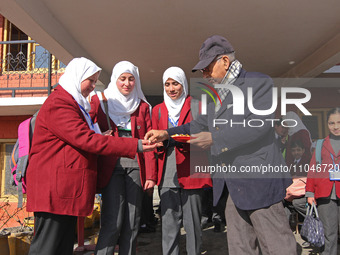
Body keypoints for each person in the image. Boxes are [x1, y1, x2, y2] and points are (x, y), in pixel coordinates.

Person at [145, 35, 297, 254]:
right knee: (240, 248)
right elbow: (197, 125)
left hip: (259, 183)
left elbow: (259, 124)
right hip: (231, 188)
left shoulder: (258, 82)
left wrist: (216, 139)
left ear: (225, 62)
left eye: (207, 69)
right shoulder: (217, 95)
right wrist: (166, 133)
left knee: (277, 247)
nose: (205, 75)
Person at [26, 57, 156, 255]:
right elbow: (86, 139)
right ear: (78, 77)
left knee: (61, 246)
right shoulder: (60, 104)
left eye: (96, 82)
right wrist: (135, 144)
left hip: (65, 191)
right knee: (47, 246)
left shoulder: (74, 103)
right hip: (55, 189)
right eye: (91, 81)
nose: (93, 86)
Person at [89, 61, 157, 255]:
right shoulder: (101, 102)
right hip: (111, 167)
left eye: (131, 79)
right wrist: (100, 136)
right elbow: (85, 129)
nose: (127, 83)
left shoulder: (143, 107)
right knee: (113, 221)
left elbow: (150, 141)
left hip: (136, 167)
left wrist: (151, 175)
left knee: (133, 221)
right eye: (122, 79)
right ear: (115, 80)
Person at [152, 66, 212, 255]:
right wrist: (157, 144)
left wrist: (174, 137)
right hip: (168, 173)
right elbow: (153, 138)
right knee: (169, 224)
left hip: (191, 170)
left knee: (193, 223)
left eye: (175, 83)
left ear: (183, 84)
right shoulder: (158, 110)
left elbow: (204, 133)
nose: (171, 88)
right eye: (167, 84)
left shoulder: (197, 105)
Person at [306, 107, 340, 255]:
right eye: (332, 123)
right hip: (325, 195)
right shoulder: (320, 144)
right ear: (327, 124)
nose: (336, 126)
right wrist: (309, 192)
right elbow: (312, 169)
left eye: (339, 122)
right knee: (329, 234)